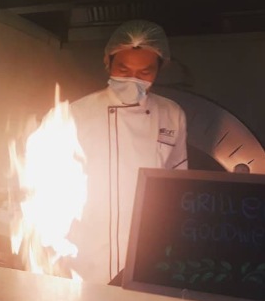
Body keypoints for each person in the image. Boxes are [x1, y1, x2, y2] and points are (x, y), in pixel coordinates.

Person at [67, 20, 188, 284]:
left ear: (158, 70)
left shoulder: (171, 113)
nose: (133, 79)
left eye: (144, 72)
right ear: (108, 63)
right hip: (89, 247)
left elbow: (178, 184)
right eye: (124, 69)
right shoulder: (77, 113)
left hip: (149, 243)